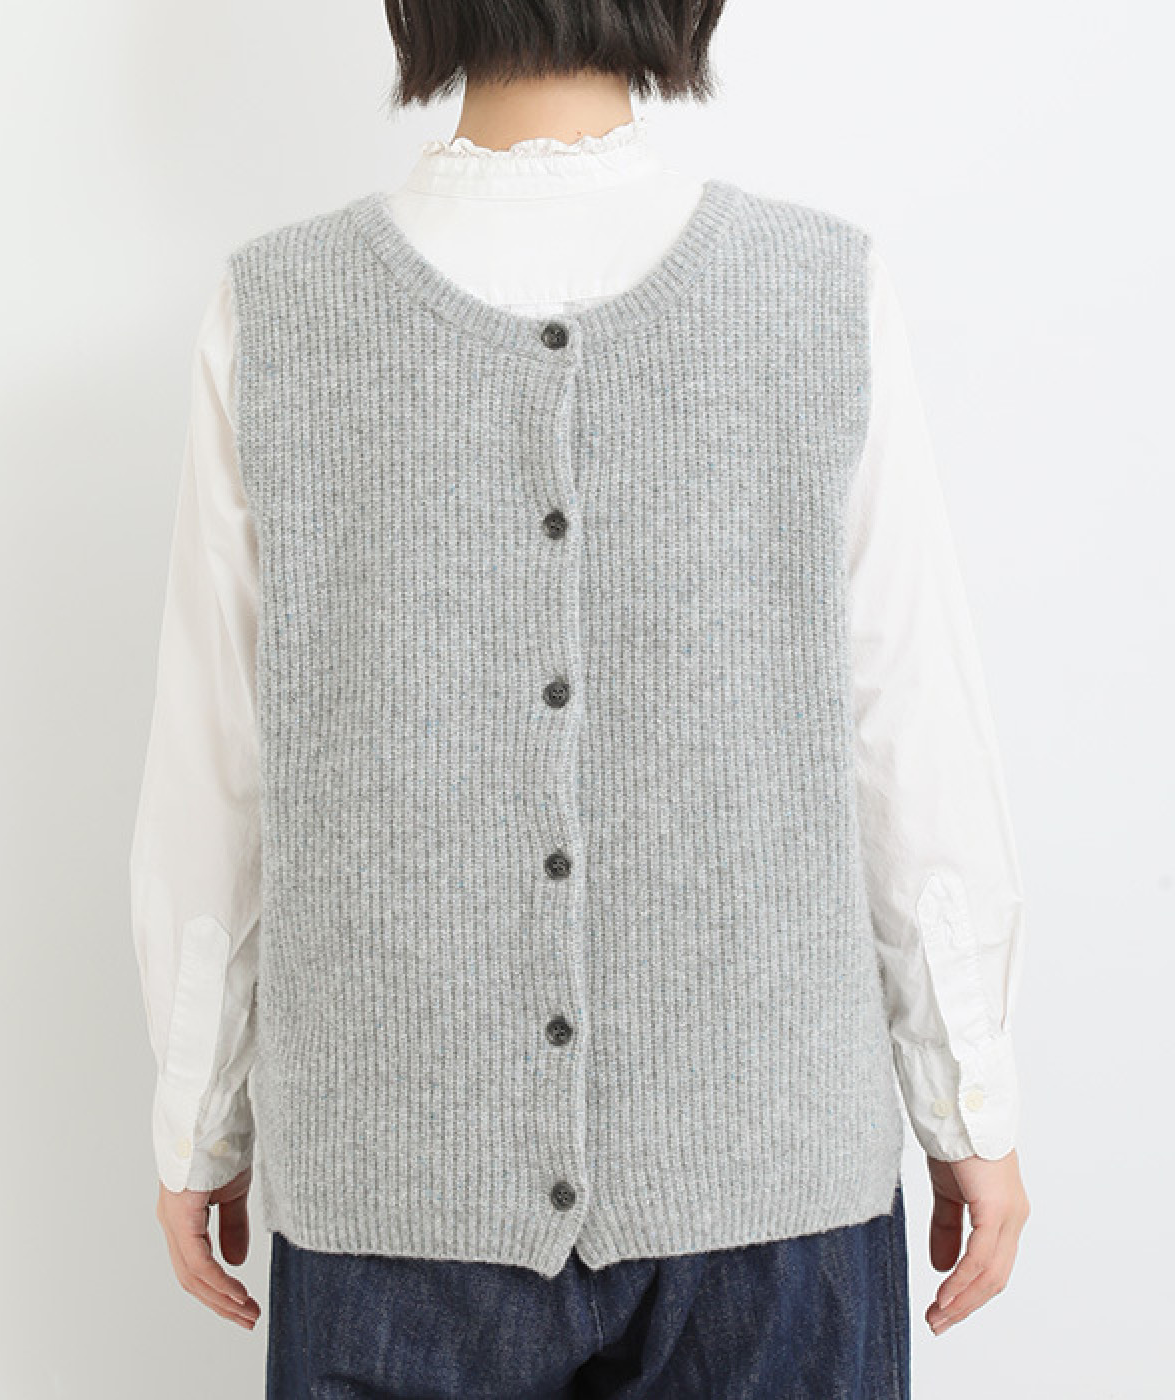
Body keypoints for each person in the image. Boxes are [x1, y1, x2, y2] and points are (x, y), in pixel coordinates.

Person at [130, 3, 1031, 1394]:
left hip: (395, 1184)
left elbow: (218, 771)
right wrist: (967, 1095)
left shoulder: (277, 312)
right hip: (769, 1184)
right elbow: (907, 733)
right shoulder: (818, 292)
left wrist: (199, 1116)